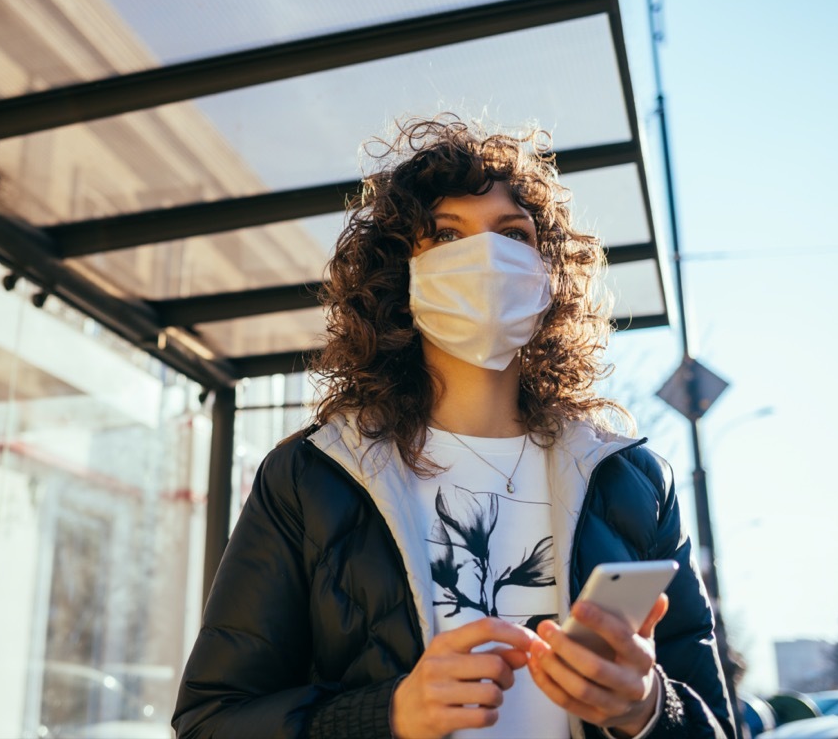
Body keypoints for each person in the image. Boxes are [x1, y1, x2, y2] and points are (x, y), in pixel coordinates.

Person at [173, 115, 736, 739]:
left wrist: (649, 708)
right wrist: (386, 715)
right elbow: (210, 722)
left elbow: (717, 723)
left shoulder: (633, 480)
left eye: (513, 233)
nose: (486, 256)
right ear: (398, 276)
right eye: (446, 234)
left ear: (550, 277)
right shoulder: (312, 476)